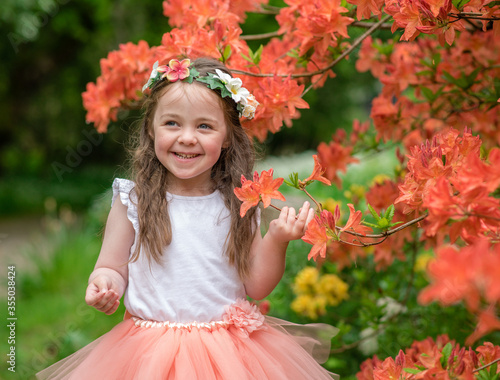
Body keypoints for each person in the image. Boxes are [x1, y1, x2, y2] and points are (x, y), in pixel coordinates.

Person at [37, 57, 339, 380]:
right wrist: (105, 284)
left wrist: (277, 241)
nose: (187, 137)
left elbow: (257, 284)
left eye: (204, 126)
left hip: (227, 356)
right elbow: (110, 266)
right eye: (172, 124)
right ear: (151, 130)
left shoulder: (239, 202)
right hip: (149, 353)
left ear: (227, 137)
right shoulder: (133, 201)